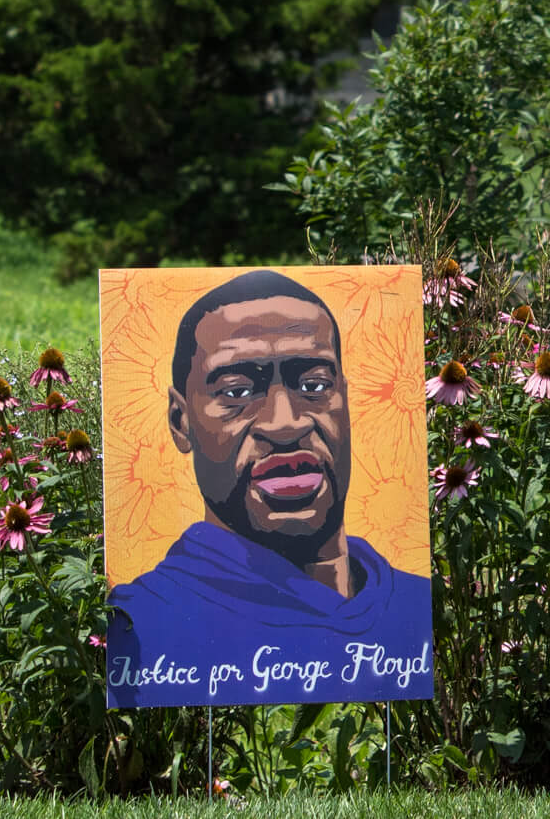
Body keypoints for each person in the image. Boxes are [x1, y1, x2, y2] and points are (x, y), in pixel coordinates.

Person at [108, 270, 432, 706]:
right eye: (237, 391)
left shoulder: (417, 608)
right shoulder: (141, 626)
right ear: (180, 421)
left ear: (345, 401)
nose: (285, 423)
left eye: (315, 386)